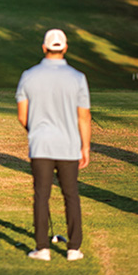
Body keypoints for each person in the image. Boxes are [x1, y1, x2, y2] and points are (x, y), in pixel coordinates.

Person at [15, 29, 91, 262]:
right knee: (71, 195)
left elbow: (22, 115)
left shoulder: (29, 75)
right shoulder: (78, 77)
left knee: (41, 195)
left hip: (41, 145)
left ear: (44, 47)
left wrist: (36, 131)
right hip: (68, 145)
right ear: (65, 48)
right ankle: (74, 249)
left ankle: (42, 248)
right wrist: (85, 147)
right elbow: (84, 116)